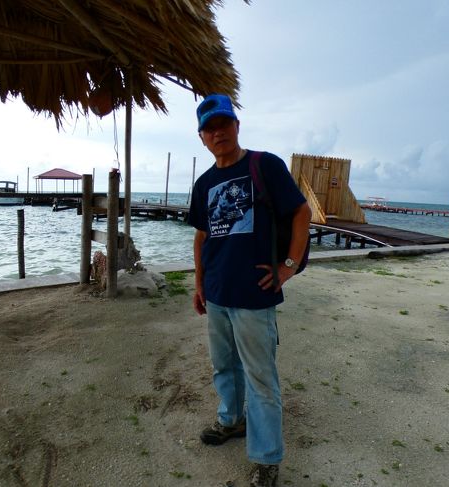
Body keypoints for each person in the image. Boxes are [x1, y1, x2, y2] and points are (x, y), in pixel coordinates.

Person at [187, 94, 312, 487]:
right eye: (209, 127)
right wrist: (199, 282)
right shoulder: (205, 183)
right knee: (224, 366)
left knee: (261, 378)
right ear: (202, 137)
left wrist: (288, 267)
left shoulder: (264, 165)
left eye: (224, 123)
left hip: (256, 296)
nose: (218, 132)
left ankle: (266, 458)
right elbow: (202, 236)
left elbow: (301, 213)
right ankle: (231, 421)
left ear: (237, 126)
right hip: (218, 292)